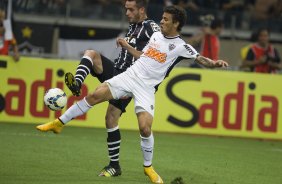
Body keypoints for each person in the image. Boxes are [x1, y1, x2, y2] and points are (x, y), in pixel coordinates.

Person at [37, 5, 228, 183]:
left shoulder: (180, 46)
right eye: (162, 18)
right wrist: (127, 47)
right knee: (96, 94)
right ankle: (58, 123)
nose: (161, 22)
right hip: (130, 75)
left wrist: (215, 63)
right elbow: (143, 57)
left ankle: (148, 168)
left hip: (146, 88)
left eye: (166, 19)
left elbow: (200, 59)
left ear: (176, 24)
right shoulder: (155, 37)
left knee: (145, 128)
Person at [66, 0, 160, 177]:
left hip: (130, 79)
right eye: (126, 9)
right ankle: (77, 84)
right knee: (91, 54)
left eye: (131, 10)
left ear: (142, 10)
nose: (127, 13)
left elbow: (158, 51)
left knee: (110, 117)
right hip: (116, 70)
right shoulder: (133, 27)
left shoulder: (151, 27)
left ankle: (114, 166)